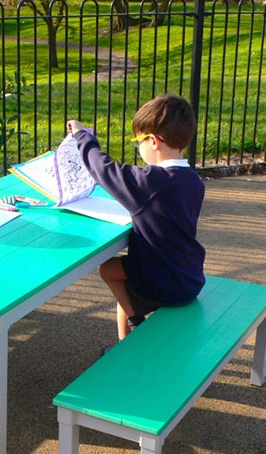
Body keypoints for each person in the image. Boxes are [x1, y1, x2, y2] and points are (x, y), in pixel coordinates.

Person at [67, 94, 206, 342]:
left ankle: (134, 331)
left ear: (152, 141)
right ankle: (128, 339)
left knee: (109, 271)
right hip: (189, 276)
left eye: (137, 141)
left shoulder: (149, 181)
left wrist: (82, 135)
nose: (137, 147)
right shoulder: (193, 181)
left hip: (161, 283)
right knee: (120, 274)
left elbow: (102, 168)